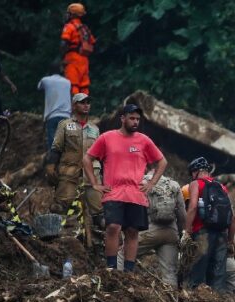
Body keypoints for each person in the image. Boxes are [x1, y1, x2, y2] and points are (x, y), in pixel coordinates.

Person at [84, 103, 167, 272]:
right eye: (132, 118)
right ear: (123, 119)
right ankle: (111, 268)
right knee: (113, 226)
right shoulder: (107, 138)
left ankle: (129, 270)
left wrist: (151, 183)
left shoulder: (144, 140)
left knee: (132, 231)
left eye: (138, 119)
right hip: (113, 191)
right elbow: (87, 158)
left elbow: (162, 162)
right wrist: (94, 183)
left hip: (136, 194)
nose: (135, 122)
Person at [46, 93, 102, 221]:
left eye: (88, 102)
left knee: (99, 213)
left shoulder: (95, 129)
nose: (86, 105)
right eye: (82, 102)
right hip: (69, 172)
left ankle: (96, 238)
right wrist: (50, 166)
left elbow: (100, 154)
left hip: (92, 174)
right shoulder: (64, 125)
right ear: (74, 105)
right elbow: (56, 147)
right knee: (60, 208)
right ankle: (58, 238)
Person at [125, 171, 185, 285]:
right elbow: (182, 215)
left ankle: (117, 282)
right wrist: (181, 235)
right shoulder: (174, 185)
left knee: (123, 254)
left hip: (150, 230)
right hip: (171, 233)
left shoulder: (142, 182)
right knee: (169, 272)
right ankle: (171, 298)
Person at [186, 157, 235, 290]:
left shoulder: (196, 184)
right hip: (221, 234)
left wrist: (186, 231)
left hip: (202, 232)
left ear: (195, 172)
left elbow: (193, 207)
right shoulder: (221, 187)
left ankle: (196, 301)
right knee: (218, 273)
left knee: (198, 271)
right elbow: (232, 216)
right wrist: (230, 241)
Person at [60, 3, 96, 95]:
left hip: (72, 58)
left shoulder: (69, 26)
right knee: (84, 86)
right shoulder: (85, 28)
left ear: (72, 14)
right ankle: (85, 106)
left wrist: (62, 57)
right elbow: (92, 42)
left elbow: (64, 43)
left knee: (73, 85)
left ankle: (74, 106)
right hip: (84, 59)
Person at [37, 62, 72, 150]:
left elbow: (39, 87)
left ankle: (53, 159)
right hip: (66, 116)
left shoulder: (45, 80)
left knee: (53, 145)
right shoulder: (68, 82)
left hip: (52, 115)